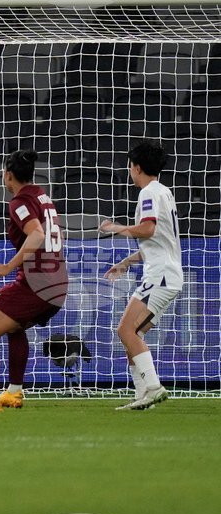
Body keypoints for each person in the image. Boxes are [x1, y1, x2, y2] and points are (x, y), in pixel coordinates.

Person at [0, 149, 68, 413]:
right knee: (14, 328)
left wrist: (10, 265)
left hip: (34, 283)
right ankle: (13, 393)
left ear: (8, 176)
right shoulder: (43, 198)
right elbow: (56, 235)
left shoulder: (19, 202)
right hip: (57, 283)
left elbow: (37, 234)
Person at [98, 141, 180, 410]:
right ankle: (143, 395)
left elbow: (147, 230)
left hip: (160, 277)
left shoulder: (148, 194)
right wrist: (126, 262)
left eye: (130, 166)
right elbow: (158, 241)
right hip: (166, 274)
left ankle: (153, 388)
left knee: (125, 330)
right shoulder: (164, 192)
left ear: (137, 167)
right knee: (133, 334)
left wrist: (115, 228)